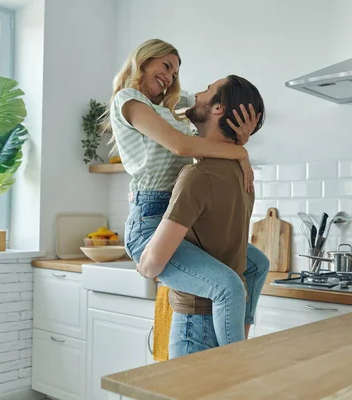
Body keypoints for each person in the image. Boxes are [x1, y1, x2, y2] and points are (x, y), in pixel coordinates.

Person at [103, 39, 269, 348]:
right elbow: (182, 146)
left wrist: (241, 137)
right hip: (149, 222)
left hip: (173, 215)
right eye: (165, 65)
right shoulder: (129, 100)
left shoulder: (168, 109)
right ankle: (237, 358)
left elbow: (215, 110)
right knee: (229, 286)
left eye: (175, 71)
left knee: (257, 264)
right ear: (143, 60)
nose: (170, 76)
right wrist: (240, 153)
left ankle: (238, 342)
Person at [137, 75, 265, 358]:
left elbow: (155, 261)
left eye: (207, 90)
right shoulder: (242, 175)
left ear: (218, 108)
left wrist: (144, 265)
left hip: (194, 326)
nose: (197, 94)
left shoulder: (197, 177)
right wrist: (240, 144)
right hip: (226, 319)